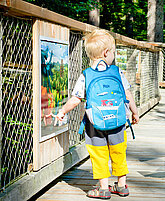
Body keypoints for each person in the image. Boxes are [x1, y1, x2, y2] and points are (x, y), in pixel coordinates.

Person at [56, 29, 139, 199]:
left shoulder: (86, 75)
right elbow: (128, 95)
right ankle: (121, 186)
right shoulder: (118, 72)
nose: (113, 56)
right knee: (118, 152)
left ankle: (103, 189)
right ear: (106, 52)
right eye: (113, 53)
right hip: (118, 122)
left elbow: (76, 98)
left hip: (95, 124)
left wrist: (63, 111)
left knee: (99, 153)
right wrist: (135, 113)